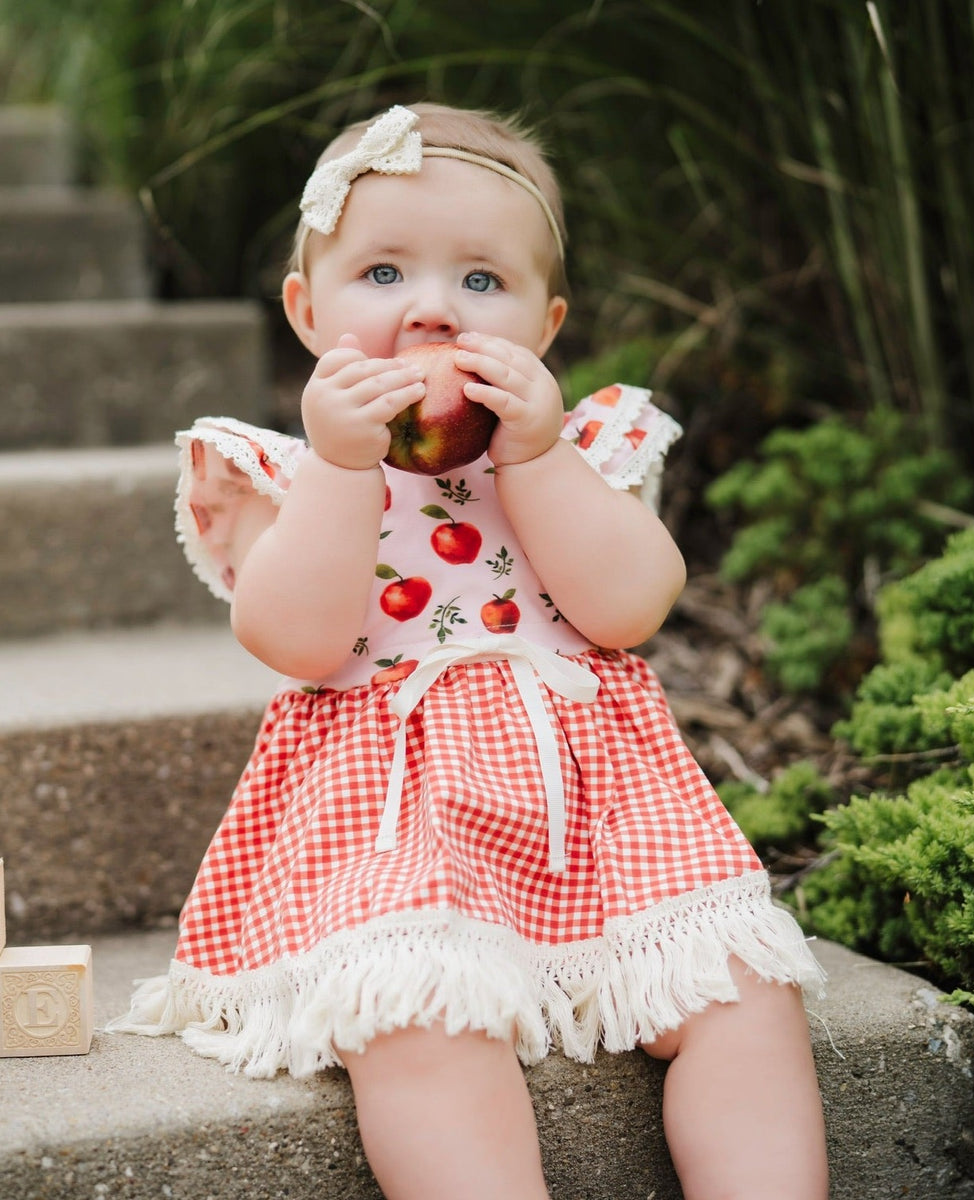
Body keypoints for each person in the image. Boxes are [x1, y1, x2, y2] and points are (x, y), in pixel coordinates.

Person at [112, 102, 829, 1200]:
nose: (436, 311)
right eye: (384, 274)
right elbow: (295, 640)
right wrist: (348, 473)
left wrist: (536, 459)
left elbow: (633, 605)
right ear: (308, 311)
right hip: (392, 820)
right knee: (418, 1019)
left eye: (481, 283)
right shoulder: (284, 475)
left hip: (595, 815)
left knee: (742, 991)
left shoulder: (583, 446)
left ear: (546, 325)